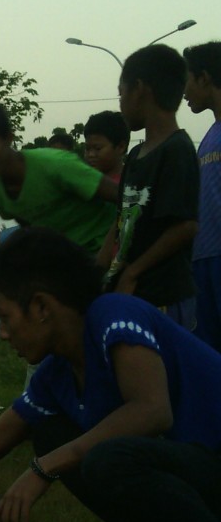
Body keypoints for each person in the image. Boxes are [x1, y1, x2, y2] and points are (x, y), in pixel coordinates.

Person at [0, 227, 221, 522]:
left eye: (5, 317)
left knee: (109, 459)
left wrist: (43, 470)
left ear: (41, 307)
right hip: (199, 470)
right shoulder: (57, 372)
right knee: (51, 432)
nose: (2, 332)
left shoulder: (114, 313)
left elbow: (151, 410)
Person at [102, 44, 199, 329]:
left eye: (121, 94)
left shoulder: (177, 150)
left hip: (163, 295)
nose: (120, 104)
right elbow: (122, 219)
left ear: (139, 89)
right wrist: (100, 265)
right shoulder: (135, 155)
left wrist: (133, 272)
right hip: (132, 291)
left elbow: (185, 227)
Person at [0, 102, 118, 256]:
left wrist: (108, 255)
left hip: (109, 253)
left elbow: (125, 199)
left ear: (8, 138)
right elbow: (32, 230)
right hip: (69, 263)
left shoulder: (55, 164)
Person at [184, 41, 221, 350]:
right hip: (204, 259)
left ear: (205, 78)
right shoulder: (208, 137)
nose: (183, 92)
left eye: (187, 80)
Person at [82, 111, 129, 183]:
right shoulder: (83, 183)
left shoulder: (130, 184)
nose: (90, 154)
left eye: (97, 148)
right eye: (87, 149)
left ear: (121, 147)